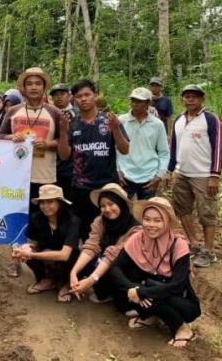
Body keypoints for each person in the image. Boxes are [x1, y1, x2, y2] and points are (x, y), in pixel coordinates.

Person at [109, 197, 200, 348]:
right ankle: (150, 316)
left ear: (167, 222)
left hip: (177, 298)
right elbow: (115, 268)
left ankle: (182, 328)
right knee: (123, 284)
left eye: (157, 220)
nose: (151, 225)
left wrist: (143, 292)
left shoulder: (179, 245)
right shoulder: (138, 238)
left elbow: (177, 285)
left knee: (152, 295)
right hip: (149, 287)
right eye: (147, 219)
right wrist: (134, 288)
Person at [0, 67, 61, 277]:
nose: (34, 87)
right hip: (17, 176)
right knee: (18, 219)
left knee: (42, 220)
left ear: (44, 87)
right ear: (23, 88)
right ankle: (15, 260)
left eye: (38, 83)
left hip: (45, 175)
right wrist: (10, 138)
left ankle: (39, 262)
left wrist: (49, 143)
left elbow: (63, 143)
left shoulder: (54, 112)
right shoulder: (13, 111)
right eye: (29, 84)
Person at [58, 79, 129, 241]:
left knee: (111, 230)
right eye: (78, 96)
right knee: (85, 230)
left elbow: (125, 150)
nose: (83, 99)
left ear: (95, 95)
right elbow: (64, 155)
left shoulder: (109, 120)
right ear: (73, 99)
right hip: (81, 188)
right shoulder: (72, 124)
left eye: (87, 94)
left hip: (107, 187)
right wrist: (63, 131)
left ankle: (109, 263)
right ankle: (88, 263)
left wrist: (116, 128)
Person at [168, 84, 221, 268]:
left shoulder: (210, 119)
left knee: (207, 212)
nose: (190, 99)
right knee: (182, 209)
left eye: (194, 96)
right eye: (187, 96)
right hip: (181, 173)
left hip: (203, 174)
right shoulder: (179, 120)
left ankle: (208, 251)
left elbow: (218, 147)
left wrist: (215, 174)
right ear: (182, 99)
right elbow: (174, 147)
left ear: (201, 99)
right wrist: (170, 170)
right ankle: (194, 244)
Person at [69, 183, 140, 303]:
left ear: (121, 203)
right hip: (106, 262)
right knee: (81, 257)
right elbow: (91, 246)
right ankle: (104, 290)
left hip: (127, 267)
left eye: (111, 204)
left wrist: (92, 279)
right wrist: (74, 272)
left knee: (123, 304)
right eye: (102, 206)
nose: (107, 209)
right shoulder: (100, 221)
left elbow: (115, 254)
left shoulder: (135, 227)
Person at [12, 184, 80, 303]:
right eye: (42, 203)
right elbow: (31, 241)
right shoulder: (37, 218)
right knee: (26, 251)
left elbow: (64, 255)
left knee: (71, 258)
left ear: (60, 203)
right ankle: (46, 280)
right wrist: (23, 249)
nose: (45, 206)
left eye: (50, 202)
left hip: (68, 259)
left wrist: (33, 255)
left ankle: (66, 283)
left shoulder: (72, 221)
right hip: (45, 252)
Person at [117, 87, 170, 200]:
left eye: (139, 101)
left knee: (146, 212)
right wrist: (118, 170)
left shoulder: (157, 124)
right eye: (133, 100)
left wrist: (159, 175)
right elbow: (115, 148)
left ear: (148, 103)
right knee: (126, 212)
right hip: (126, 175)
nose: (135, 104)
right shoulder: (121, 121)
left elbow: (164, 152)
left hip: (149, 175)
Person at [50, 83, 79, 198]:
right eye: (55, 95)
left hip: (73, 167)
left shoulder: (78, 114)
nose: (59, 97)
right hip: (50, 165)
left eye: (62, 94)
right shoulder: (48, 113)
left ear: (69, 95)